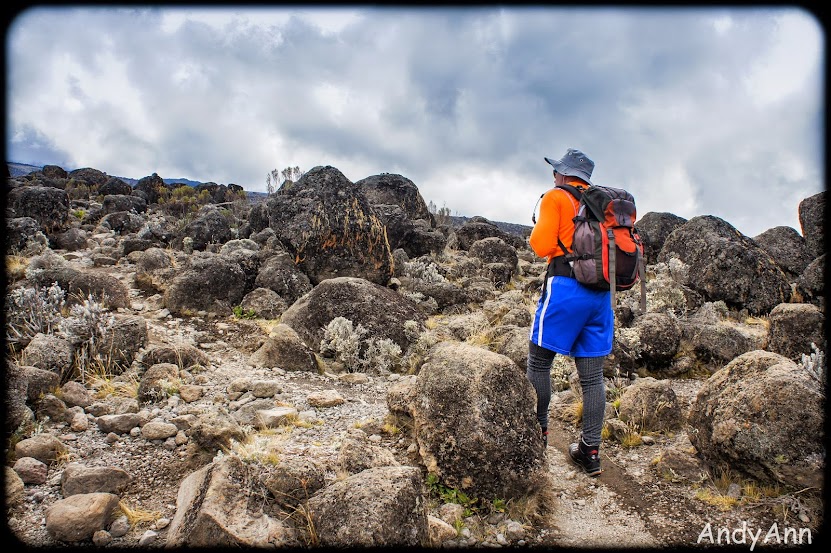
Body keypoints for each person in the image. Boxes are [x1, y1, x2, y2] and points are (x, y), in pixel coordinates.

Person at [526, 148, 611, 477]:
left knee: (539, 363)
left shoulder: (556, 198)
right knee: (592, 378)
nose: (554, 176)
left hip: (565, 291)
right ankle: (590, 452)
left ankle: (538, 433)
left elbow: (541, 245)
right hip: (600, 296)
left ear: (563, 174)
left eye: (556, 171)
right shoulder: (603, 203)